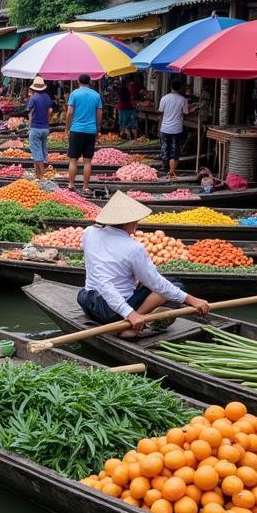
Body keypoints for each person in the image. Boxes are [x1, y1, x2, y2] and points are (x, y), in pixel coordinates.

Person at [78, 191, 209, 336]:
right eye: (135, 220)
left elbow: (102, 279)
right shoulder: (133, 248)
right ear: (128, 221)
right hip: (112, 313)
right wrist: (192, 300)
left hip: (88, 302)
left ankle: (128, 321)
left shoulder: (89, 232)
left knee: (150, 284)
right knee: (173, 286)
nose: (137, 223)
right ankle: (126, 325)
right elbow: (156, 284)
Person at [66, 73, 103, 195]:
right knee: (87, 161)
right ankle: (85, 186)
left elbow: (70, 112)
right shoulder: (96, 95)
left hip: (76, 129)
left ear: (78, 81)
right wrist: (97, 128)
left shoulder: (74, 94)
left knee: (73, 159)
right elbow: (99, 114)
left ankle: (71, 184)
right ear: (90, 82)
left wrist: (67, 127)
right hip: (90, 130)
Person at [158, 80, 190, 179]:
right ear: (180, 88)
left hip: (165, 128)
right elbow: (186, 112)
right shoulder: (183, 100)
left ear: (171, 87)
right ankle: (172, 171)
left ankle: (164, 168)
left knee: (164, 148)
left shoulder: (164, 98)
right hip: (176, 129)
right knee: (174, 150)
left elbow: (161, 113)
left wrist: (160, 126)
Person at [26, 77, 53, 182]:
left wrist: (29, 125)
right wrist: (47, 120)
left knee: (36, 152)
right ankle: (38, 175)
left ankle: (41, 176)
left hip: (36, 128)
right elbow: (50, 110)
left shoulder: (33, 98)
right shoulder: (47, 97)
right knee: (42, 150)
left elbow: (30, 112)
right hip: (45, 128)